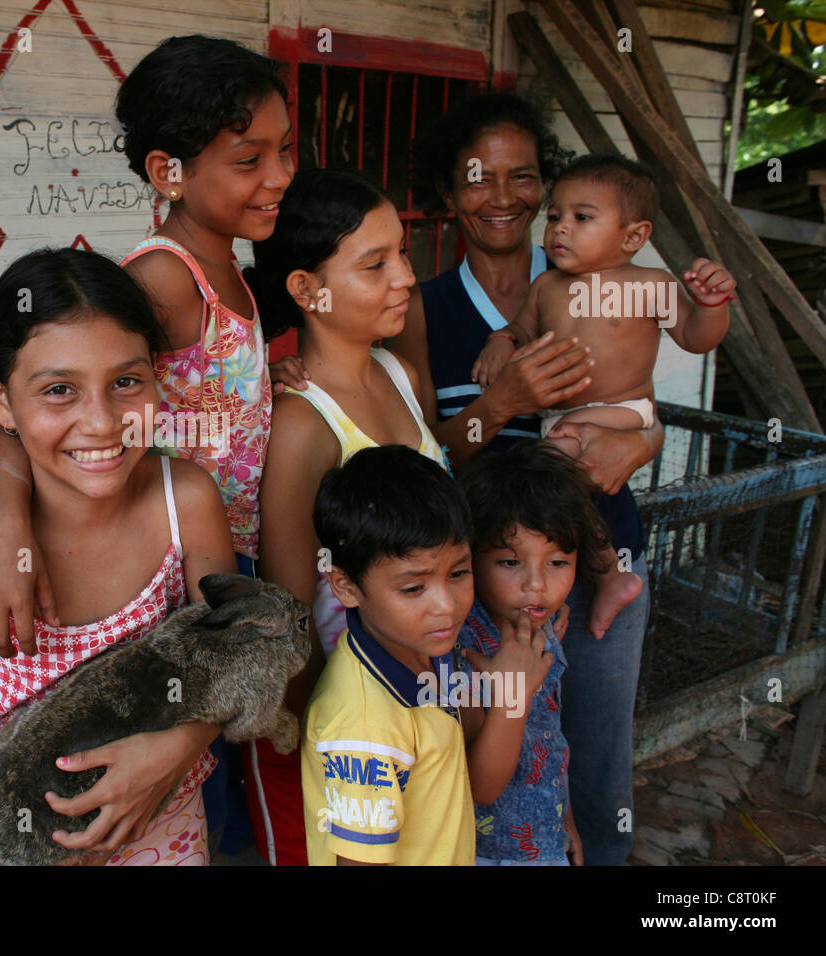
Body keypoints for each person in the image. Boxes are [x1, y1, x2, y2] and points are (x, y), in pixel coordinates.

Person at [0, 34, 303, 855]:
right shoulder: (164, 278)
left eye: (285, 151)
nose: (280, 175)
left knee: (202, 774)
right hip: (169, 560)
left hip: (221, 555)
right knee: (177, 772)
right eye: (249, 159)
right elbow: (49, 399)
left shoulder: (234, 275)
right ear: (167, 172)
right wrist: (4, 518)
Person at [0, 248, 236, 865]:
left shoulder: (187, 501)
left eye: (126, 382)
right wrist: (6, 852)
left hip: (171, 833)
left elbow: (233, 652)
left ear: (157, 376)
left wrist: (177, 746)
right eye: (59, 390)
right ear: (1, 398)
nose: (101, 422)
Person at [393, 92, 662, 865]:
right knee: (500, 765)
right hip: (480, 578)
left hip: (601, 553)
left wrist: (645, 440)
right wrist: (501, 403)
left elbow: (638, 403)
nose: (502, 196)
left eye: (523, 176)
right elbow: (426, 461)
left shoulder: (598, 277)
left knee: (600, 761)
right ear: (448, 193)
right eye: (477, 178)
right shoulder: (424, 308)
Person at [238, 167, 446, 864]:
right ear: (305, 290)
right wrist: (316, 744)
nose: (405, 278)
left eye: (403, 254)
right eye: (375, 263)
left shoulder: (401, 376)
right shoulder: (303, 423)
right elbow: (291, 608)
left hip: (417, 702)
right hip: (342, 725)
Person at [472, 154, 732, 638]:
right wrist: (499, 342)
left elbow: (697, 337)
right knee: (564, 492)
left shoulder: (649, 285)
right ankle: (585, 575)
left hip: (622, 414)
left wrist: (712, 306)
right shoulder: (546, 285)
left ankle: (610, 575)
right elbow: (519, 330)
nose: (560, 229)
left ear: (633, 236)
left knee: (540, 474)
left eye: (581, 217)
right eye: (554, 216)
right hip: (562, 419)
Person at [301, 445, 475, 865]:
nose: (447, 606)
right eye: (414, 588)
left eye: (459, 572)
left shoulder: (425, 647)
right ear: (345, 586)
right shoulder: (365, 727)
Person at [455, 442, 616, 865]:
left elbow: (549, 738)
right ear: (470, 557)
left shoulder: (542, 627)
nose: (537, 585)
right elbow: (481, 786)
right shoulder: (465, 650)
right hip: (490, 854)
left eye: (558, 563)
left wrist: (564, 821)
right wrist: (514, 695)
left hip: (545, 838)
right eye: (510, 563)